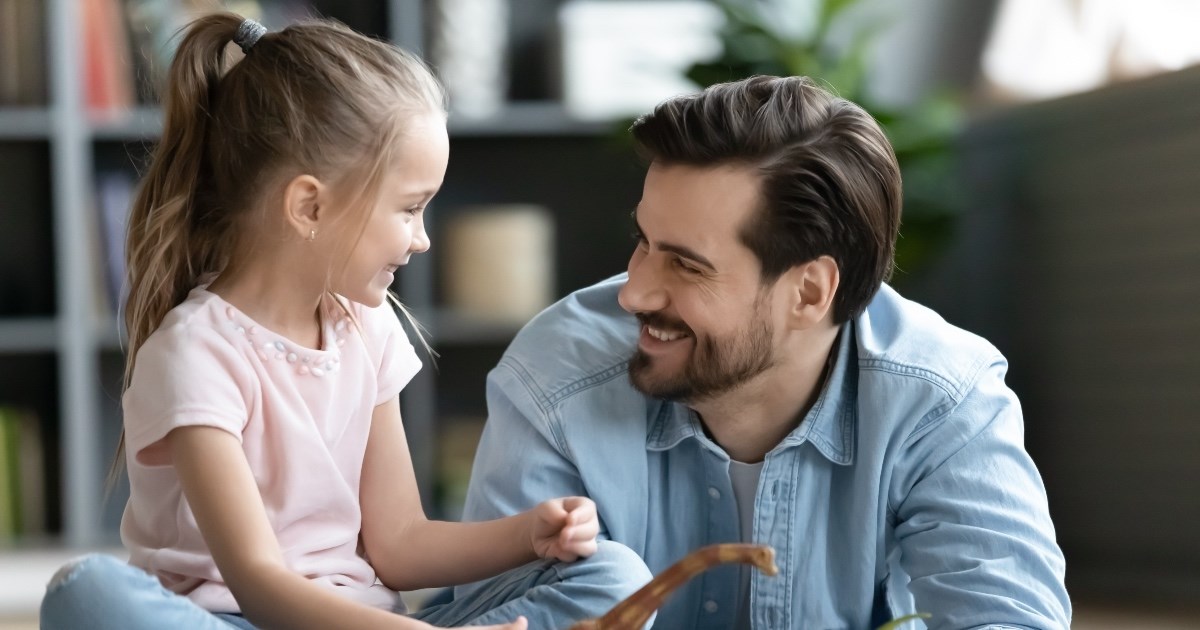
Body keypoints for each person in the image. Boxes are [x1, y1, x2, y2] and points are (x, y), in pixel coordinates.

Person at [39, 13, 650, 630]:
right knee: (87, 592)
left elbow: (400, 544)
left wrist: (527, 536)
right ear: (309, 205)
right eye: (410, 210)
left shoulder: (368, 325)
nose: (422, 241)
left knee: (615, 574)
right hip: (239, 620)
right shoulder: (194, 353)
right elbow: (258, 584)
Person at [455, 76, 1072, 629]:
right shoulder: (557, 374)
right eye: (643, 242)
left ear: (808, 292)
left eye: (687, 266)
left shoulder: (941, 397)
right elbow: (493, 617)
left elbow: (1008, 618)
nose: (634, 292)